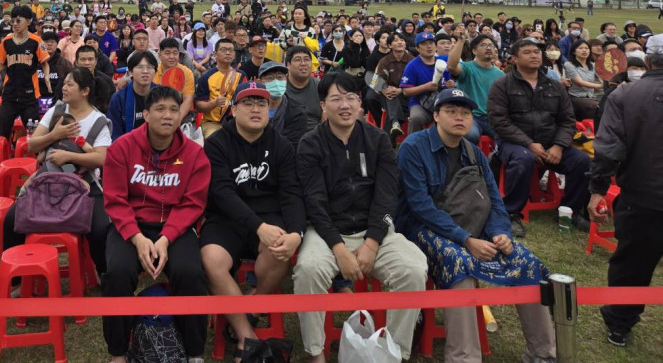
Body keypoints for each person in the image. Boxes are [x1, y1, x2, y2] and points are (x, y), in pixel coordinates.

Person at [397, 88, 555, 363]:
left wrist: (501, 233)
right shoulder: (413, 147)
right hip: (422, 228)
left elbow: (494, 198)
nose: (459, 118)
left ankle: (542, 353)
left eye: (466, 113)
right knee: (460, 265)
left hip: (474, 224)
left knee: (526, 262)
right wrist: (466, 240)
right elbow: (420, 206)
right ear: (435, 115)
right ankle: (464, 357)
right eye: (451, 112)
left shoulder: (474, 152)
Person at [294, 72, 427, 362]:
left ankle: (394, 352)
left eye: (351, 98)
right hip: (327, 229)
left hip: (374, 229)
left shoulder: (378, 139)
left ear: (360, 104)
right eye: (336, 99)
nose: (345, 105)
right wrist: (338, 249)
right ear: (323, 106)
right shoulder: (310, 143)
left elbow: (387, 195)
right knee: (308, 270)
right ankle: (316, 353)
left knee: (413, 268)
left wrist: (372, 242)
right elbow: (314, 202)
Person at [102, 85, 210, 363]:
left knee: (191, 274)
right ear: (146, 114)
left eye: (174, 109)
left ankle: (195, 351)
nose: (168, 116)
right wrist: (137, 238)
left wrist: (166, 238)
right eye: (160, 109)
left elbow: (193, 204)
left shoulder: (195, 154)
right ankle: (117, 353)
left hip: (174, 227)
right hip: (131, 226)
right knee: (117, 273)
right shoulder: (121, 148)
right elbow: (115, 199)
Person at [201, 81, 305, 353]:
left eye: (262, 103)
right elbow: (222, 193)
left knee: (281, 247)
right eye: (248, 103)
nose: (256, 109)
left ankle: (253, 303)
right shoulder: (217, 144)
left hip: (270, 219)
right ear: (234, 110)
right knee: (211, 260)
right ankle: (248, 337)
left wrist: (297, 232)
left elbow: (292, 193)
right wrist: (257, 227)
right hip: (226, 219)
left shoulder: (281, 145)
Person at [588, 33, 663, 347]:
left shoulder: (626, 96)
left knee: (632, 264)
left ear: (647, 60)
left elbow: (608, 149)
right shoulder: (626, 95)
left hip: (642, 196)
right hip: (644, 193)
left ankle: (619, 324)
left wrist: (597, 190)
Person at [3, 67, 113, 274]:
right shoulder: (57, 111)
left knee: (100, 229)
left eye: (70, 84)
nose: (64, 87)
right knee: (11, 220)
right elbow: (32, 145)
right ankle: (17, 279)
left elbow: (102, 158)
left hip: (85, 183)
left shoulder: (98, 121)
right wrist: (55, 134)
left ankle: (103, 273)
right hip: (48, 178)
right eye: (64, 83)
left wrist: (70, 157)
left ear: (85, 91)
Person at [489, 37, 591, 238]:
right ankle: (511, 212)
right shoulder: (502, 85)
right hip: (513, 142)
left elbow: (567, 120)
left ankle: (570, 209)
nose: (534, 55)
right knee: (523, 158)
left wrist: (559, 146)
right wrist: (528, 144)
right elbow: (499, 121)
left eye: (536, 52)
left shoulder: (554, 86)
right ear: (514, 59)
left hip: (550, 143)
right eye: (527, 52)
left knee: (582, 161)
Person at [0, 6, 52, 137]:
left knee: (33, 133)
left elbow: (45, 62)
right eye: (13, 21)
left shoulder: (36, 41)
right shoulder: (7, 41)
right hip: (10, 93)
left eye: (18, 21)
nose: (15, 24)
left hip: (29, 94)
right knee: (2, 131)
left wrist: (47, 77)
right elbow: (3, 65)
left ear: (29, 21)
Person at [448, 31, 503, 144]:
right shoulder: (467, 68)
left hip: (492, 118)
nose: (488, 48)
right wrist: (461, 41)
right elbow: (452, 66)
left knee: (506, 137)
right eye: (483, 45)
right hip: (470, 116)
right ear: (474, 51)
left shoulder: (500, 75)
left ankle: (494, 160)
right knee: (470, 135)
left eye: (491, 45)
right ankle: (470, 161)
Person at [194, 37, 243, 138]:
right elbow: (199, 107)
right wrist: (215, 103)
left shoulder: (242, 76)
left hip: (237, 123)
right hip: (213, 123)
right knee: (215, 141)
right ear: (215, 54)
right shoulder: (206, 77)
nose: (228, 53)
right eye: (224, 50)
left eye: (231, 50)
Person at [371, 33, 414, 143]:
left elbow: (417, 82)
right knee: (391, 95)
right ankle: (395, 124)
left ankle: (392, 130)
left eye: (402, 40)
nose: (400, 42)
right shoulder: (385, 61)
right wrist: (384, 90)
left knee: (393, 99)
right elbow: (375, 81)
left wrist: (401, 90)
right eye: (395, 41)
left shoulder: (413, 60)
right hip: (388, 95)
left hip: (408, 94)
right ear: (389, 45)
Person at [107, 50, 157, 138]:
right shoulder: (119, 98)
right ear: (130, 72)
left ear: (155, 71)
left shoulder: (163, 95)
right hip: (128, 147)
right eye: (140, 67)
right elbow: (115, 134)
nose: (145, 71)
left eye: (149, 67)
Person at [400, 31, 442, 133]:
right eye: (424, 44)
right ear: (418, 48)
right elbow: (406, 91)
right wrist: (425, 87)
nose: (429, 47)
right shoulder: (412, 65)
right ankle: (412, 145)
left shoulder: (442, 62)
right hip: (419, 103)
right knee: (415, 119)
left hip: (441, 102)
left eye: (431, 43)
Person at [151, 38, 194, 120]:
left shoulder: (186, 72)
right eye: (167, 53)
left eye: (175, 53)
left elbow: (188, 99)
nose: (172, 57)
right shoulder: (153, 72)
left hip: (179, 111)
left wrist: (176, 119)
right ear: (159, 55)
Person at [563, 39, 603, 120]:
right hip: (576, 97)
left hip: (592, 96)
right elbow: (580, 82)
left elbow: (602, 77)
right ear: (574, 52)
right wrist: (600, 86)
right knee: (596, 107)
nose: (584, 50)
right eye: (581, 48)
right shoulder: (569, 64)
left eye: (587, 48)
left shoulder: (592, 65)